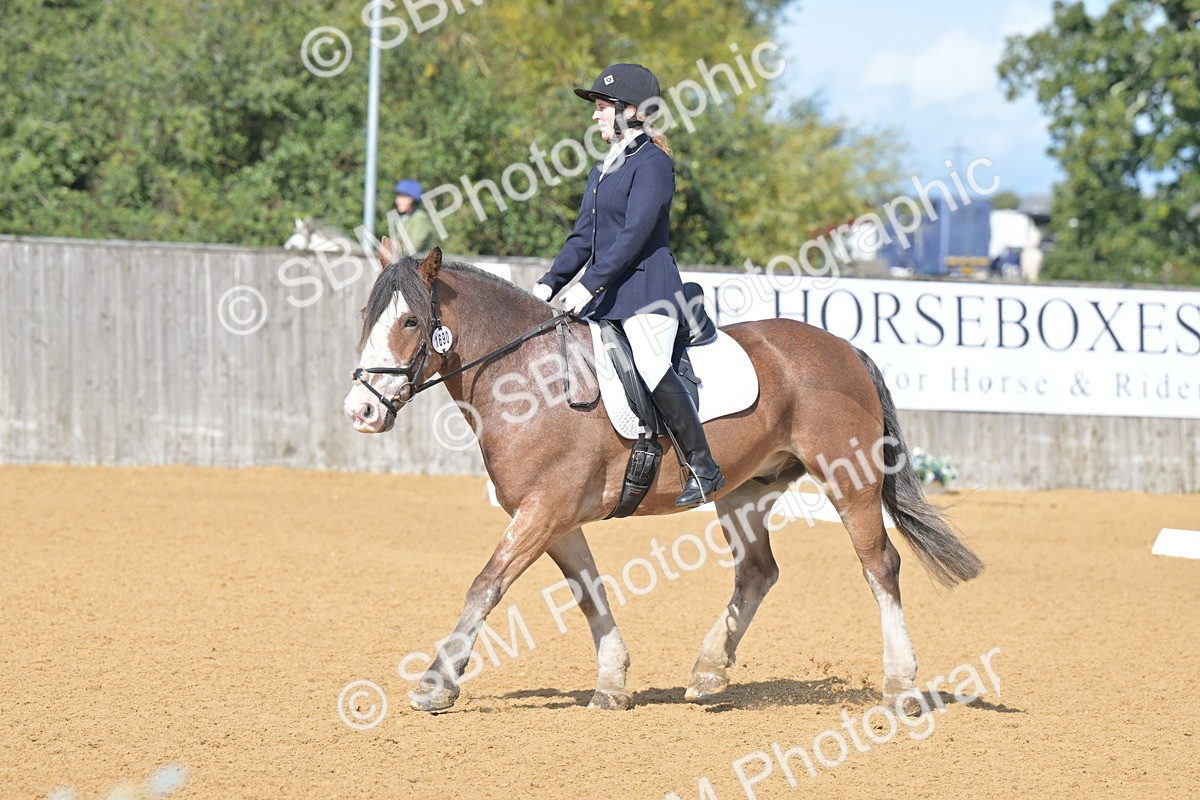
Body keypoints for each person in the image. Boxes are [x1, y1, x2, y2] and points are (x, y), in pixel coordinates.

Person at [532, 63, 724, 507]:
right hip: (610, 297)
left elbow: (634, 234)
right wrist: (549, 283)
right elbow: (584, 237)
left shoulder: (654, 164)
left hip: (648, 294)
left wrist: (590, 285)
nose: (595, 116)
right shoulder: (604, 169)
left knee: (651, 364)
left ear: (632, 111)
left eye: (602, 107)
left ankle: (703, 466)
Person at [387, 179, 437, 255]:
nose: (397, 200)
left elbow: (412, 248)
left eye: (402, 197)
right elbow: (395, 243)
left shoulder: (420, 218)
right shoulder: (405, 218)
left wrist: (391, 249)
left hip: (418, 264)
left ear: (412, 199)